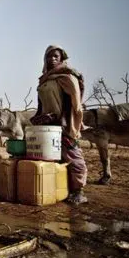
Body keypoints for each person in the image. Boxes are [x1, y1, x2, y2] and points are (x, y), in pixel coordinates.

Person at [30, 45, 88, 205]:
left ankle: (79, 191)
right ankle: (61, 188)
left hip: (64, 123)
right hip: (48, 123)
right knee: (50, 156)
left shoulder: (67, 77)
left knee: (73, 155)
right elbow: (41, 103)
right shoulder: (44, 80)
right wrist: (38, 117)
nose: (52, 59)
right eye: (49, 56)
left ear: (62, 59)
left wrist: (63, 121)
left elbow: (73, 103)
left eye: (56, 56)